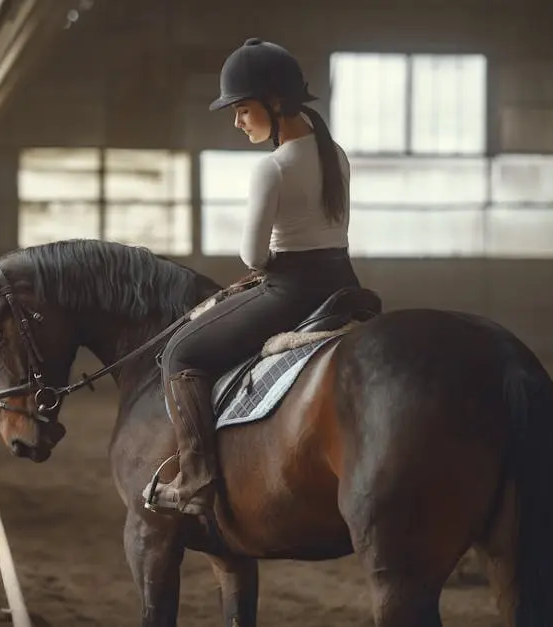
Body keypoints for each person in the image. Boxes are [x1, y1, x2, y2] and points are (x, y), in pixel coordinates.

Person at [142, 38, 362, 517]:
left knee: (181, 352)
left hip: (290, 291)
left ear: (275, 103)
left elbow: (254, 255)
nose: (237, 121)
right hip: (343, 284)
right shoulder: (337, 154)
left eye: (242, 109)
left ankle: (196, 478)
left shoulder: (273, 167)